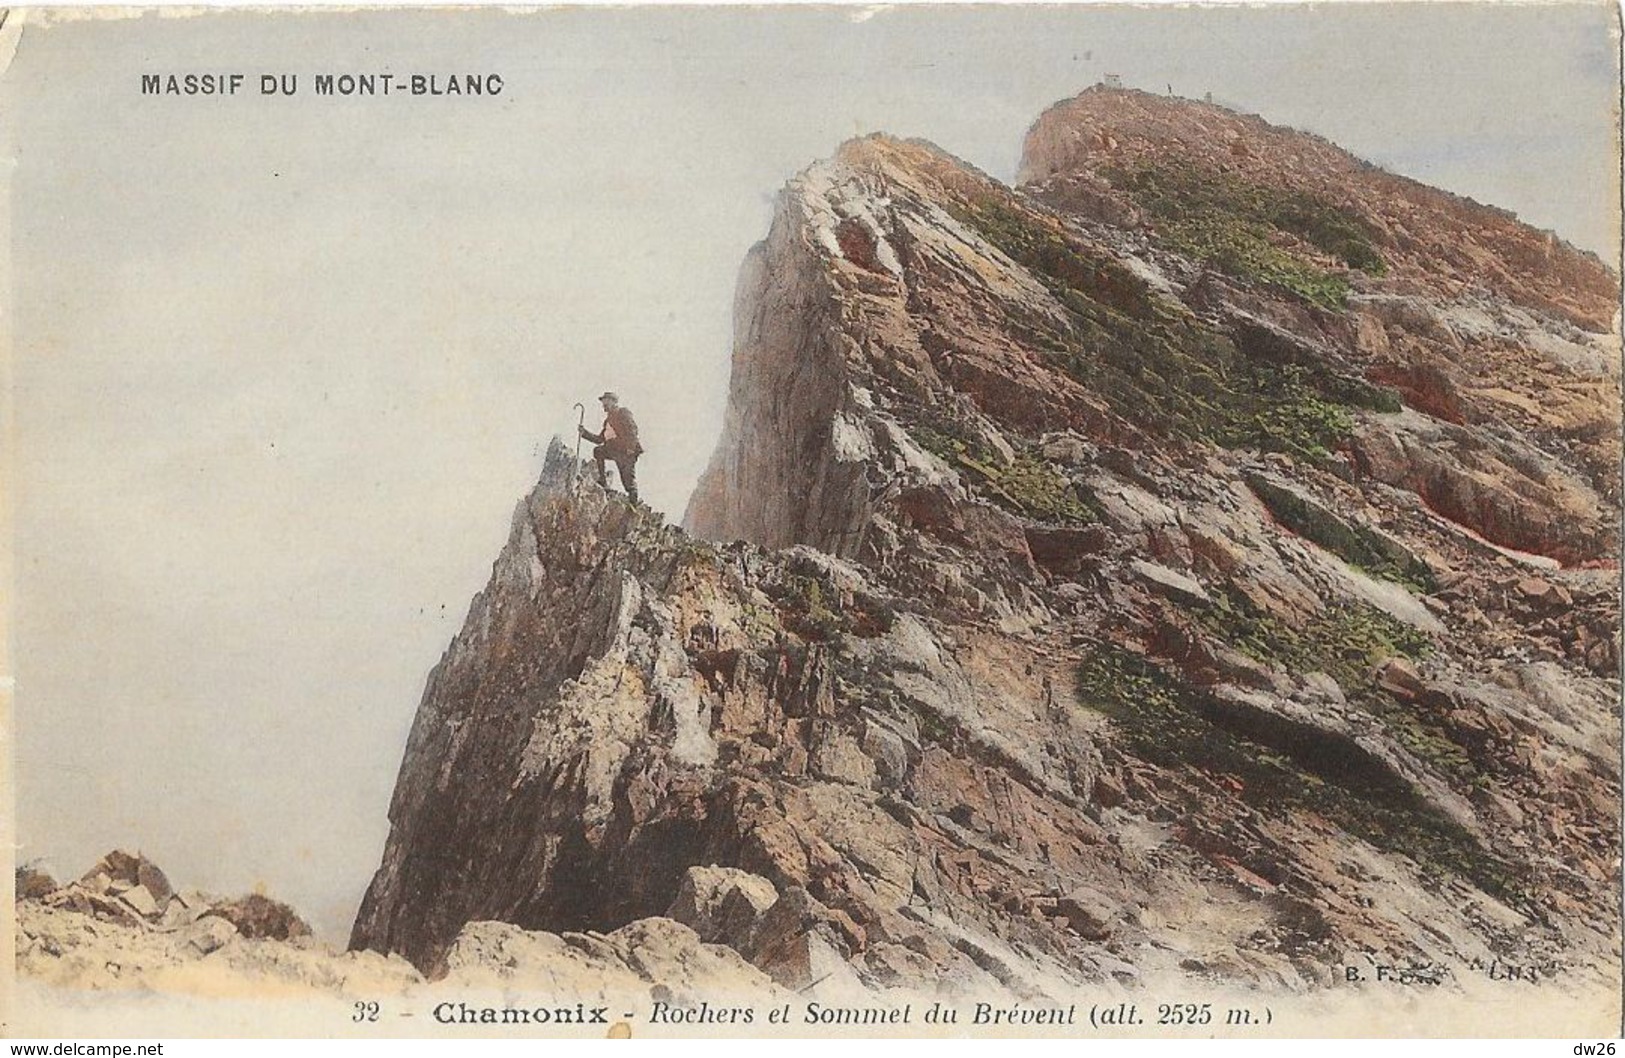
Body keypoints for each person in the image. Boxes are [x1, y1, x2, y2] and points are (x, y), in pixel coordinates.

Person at [579, 391, 642, 504]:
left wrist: (631, 449)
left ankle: (633, 504)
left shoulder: (622, 413)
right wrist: (584, 433)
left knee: (628, 482)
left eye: (606, 401)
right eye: (603, 401)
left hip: (627, 452)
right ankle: (603, 480)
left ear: (614, 402)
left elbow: (633, 430)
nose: (604, 404)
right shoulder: (607, 422)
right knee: (598, 451)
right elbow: (600, 439)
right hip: (615, 451)